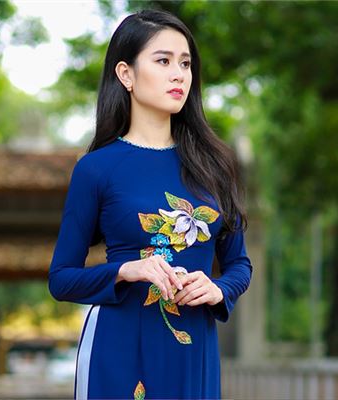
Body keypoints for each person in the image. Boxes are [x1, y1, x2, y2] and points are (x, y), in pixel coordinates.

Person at [48, 9, 252, 400]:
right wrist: (127, 270)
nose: (179, 75)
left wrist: (217, 288)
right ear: (126, 74)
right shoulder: (96, 169)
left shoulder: (215, 165)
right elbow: (61, 278)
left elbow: (239, 264)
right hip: (119, 349)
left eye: (185, 63)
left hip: (193, 349)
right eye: (163, 61)